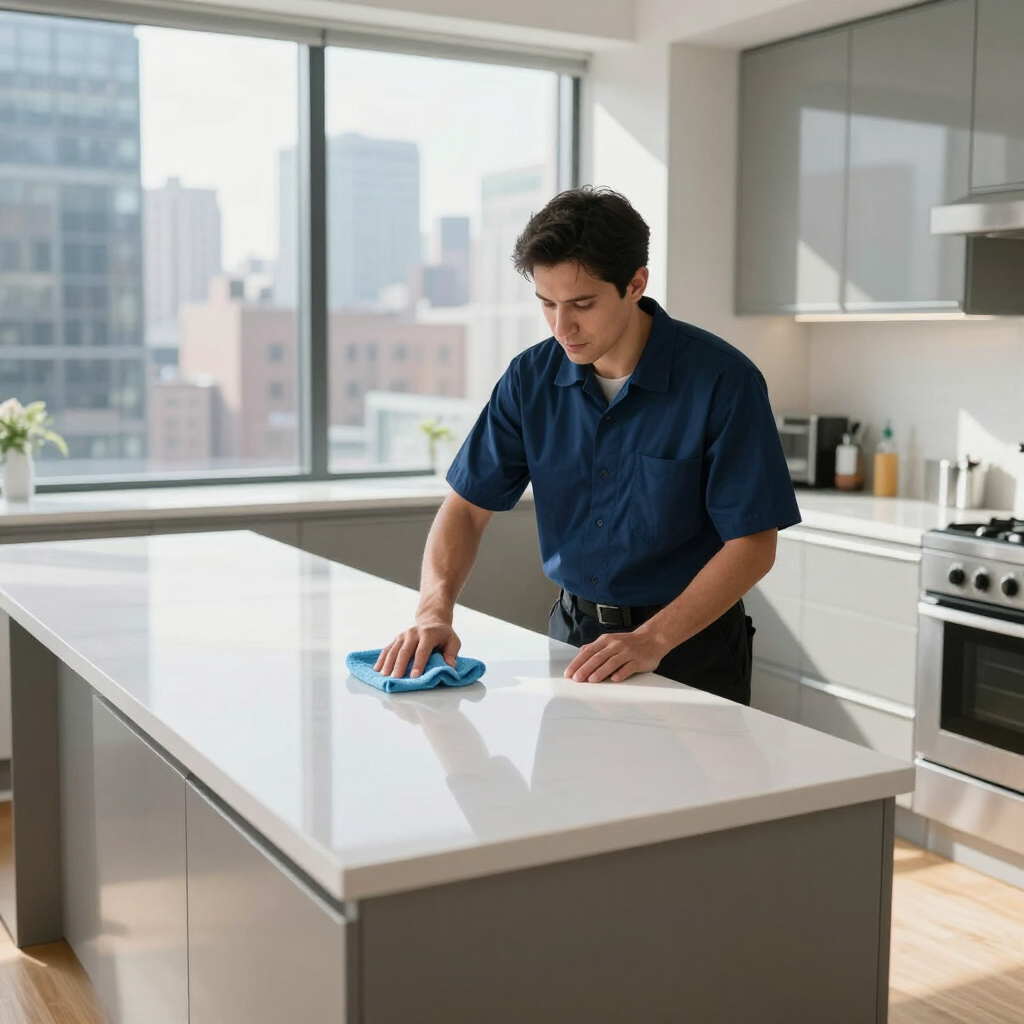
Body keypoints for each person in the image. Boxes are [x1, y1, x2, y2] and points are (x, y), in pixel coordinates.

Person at [374, 186, 800, 704]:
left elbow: (754, 544)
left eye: (581, 304)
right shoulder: (529, 379)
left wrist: (652, 640)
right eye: (547, 304)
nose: (562, 327)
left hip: (691, 649)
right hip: (573, 640)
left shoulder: (723, 382)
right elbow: (466, 508)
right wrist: (433, 611)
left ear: (635, 284)